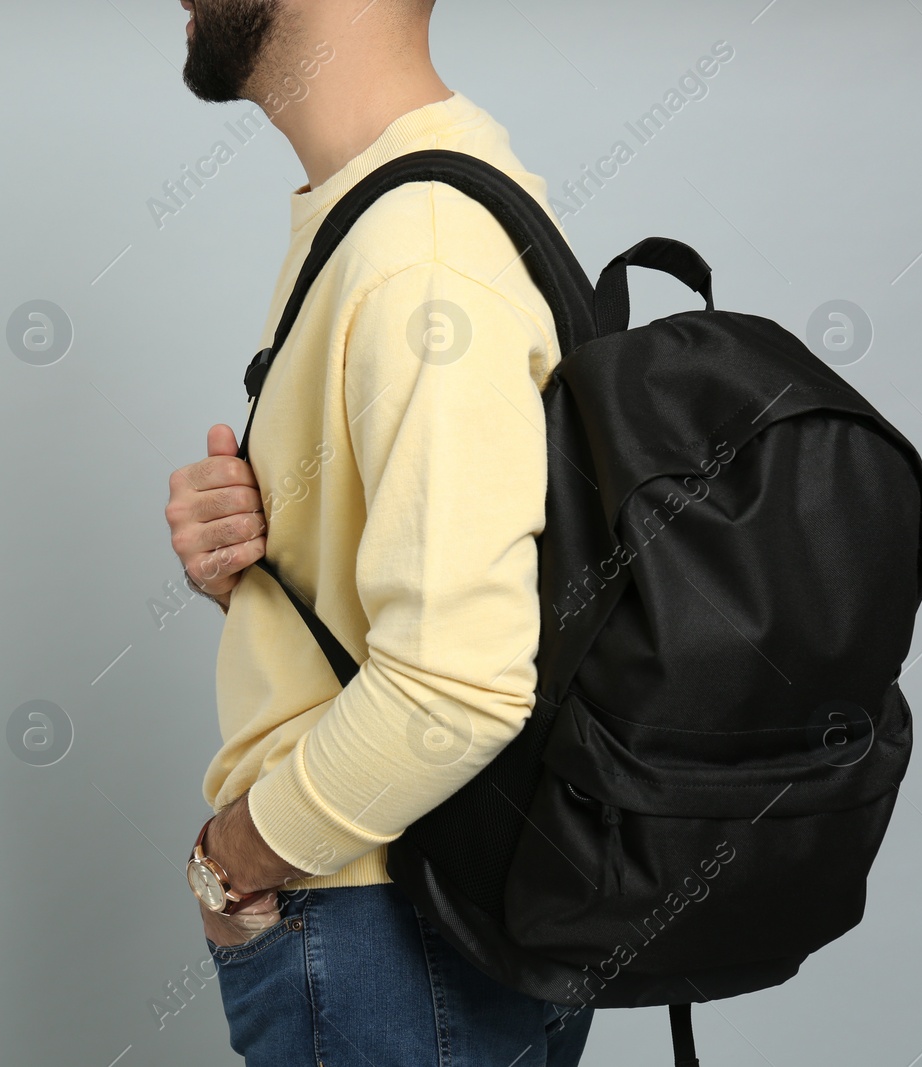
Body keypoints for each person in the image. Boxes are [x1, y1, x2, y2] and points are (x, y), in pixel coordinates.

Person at [163, 1, 594, 1063]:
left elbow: (457, 679)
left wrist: (234, 863)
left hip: (383, 925)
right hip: (423, 915)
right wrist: (262, 564)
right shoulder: (392, 208)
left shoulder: (419, 250)